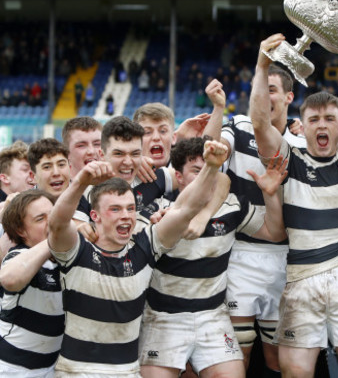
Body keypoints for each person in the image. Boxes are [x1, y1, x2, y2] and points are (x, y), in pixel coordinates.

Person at [250, 25, 338, 377]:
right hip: (301, 279)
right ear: (303, 125)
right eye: (314, 120)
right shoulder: (286, 162)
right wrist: (262, 67)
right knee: (294, 373)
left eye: (329, 119)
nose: (321, 125)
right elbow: (260, 122)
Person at [47, 140, 230, 376]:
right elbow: (57, 224)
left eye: (130, 209)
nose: (126, 216)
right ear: (95, 215)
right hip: (78, 370)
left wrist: (212, 167)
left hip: (128, 371)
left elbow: (187, 209)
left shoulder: (144, 248)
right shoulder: (77, 250)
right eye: (115, 209)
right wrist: (80, 182)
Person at [138, 138, 286, 378]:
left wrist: (271, 194)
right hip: (164, 318)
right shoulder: (158, 209)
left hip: (212, 316)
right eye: (197, 171)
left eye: (211, 170)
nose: (206, 178)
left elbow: (275, 233)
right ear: (179, 176)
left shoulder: (231, 206)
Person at [203, 70, 305, 376]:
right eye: (260, 89)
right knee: (239, 357)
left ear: (289, 97)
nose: (263, 96)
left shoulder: (299, 142)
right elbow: (213, 151)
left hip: (286, 260)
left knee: (277, 361)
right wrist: (218, 112)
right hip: (240, 256)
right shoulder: (237, 125)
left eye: (271, 90)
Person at [0, 190, 63, 377]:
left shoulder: (64, 256)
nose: (51, 222)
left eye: (53, 215)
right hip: (12, 369)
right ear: (21, 230)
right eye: (40, 219)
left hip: (50, 368)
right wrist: (54, 238)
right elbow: (10, 279)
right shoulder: (19, 255)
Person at [133, 103, 177, 170]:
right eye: (147, 132)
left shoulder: (188, 174)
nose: (156, 137)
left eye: (163, 131)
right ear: (136, 141)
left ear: (173, 138)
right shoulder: (126, 176)